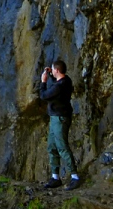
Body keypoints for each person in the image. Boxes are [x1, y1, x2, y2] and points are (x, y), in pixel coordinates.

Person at [39, 59, 81, 190]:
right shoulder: (66, 80)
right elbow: (57, 82)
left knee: (62, 147)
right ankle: (55, 177)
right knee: (52, 146)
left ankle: (75, 176)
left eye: (53, 69)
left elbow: (44, 95)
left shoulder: (59, 87)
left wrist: (43, 82)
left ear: (57, 70)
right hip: (56, 118)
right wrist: (51, 74)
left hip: (60, 119)